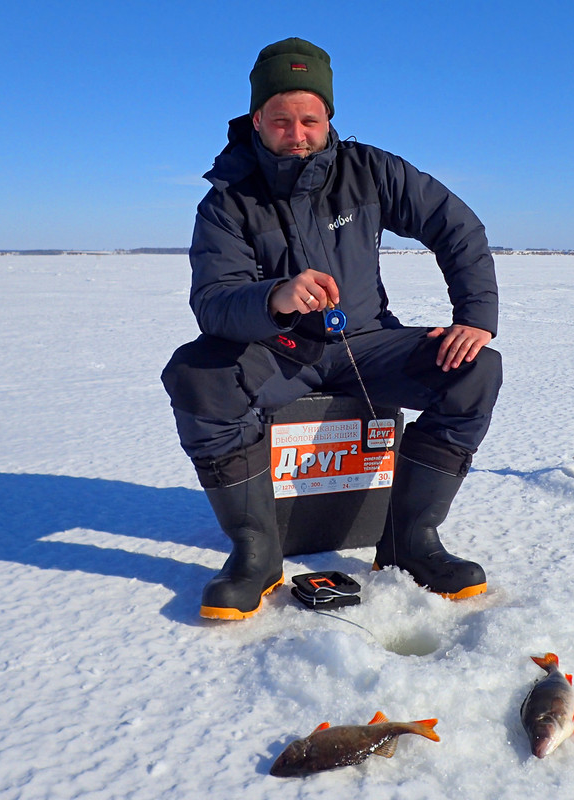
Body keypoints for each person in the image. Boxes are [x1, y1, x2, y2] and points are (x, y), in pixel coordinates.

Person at [161, 37, 503, 620]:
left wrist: (475, 317)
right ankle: (256, 553)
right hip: (277, 350)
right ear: (256, 120)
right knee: (197, 376)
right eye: (281, 120)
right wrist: (274, 297)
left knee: (473, 370)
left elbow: (456, 226)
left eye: (309, 120)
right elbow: (214, 302)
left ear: (328, 118)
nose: (297, 134)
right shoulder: (227, 201)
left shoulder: (368, 171)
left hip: (364, 342)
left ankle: (408, 542)